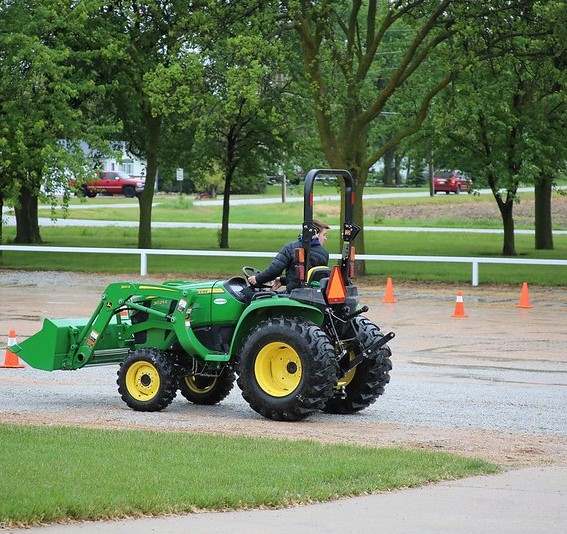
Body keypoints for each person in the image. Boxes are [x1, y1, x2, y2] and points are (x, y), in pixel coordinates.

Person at [247, 220, 330, 292]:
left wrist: (257, 279)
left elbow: (274, 270)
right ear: (315, 234)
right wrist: (282, 280)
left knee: (249, 295)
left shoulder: (291, 248)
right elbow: (305, 279)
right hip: (311, 295)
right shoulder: (324, 254)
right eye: (324, 235)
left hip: (294, 294)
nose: (325, 238)